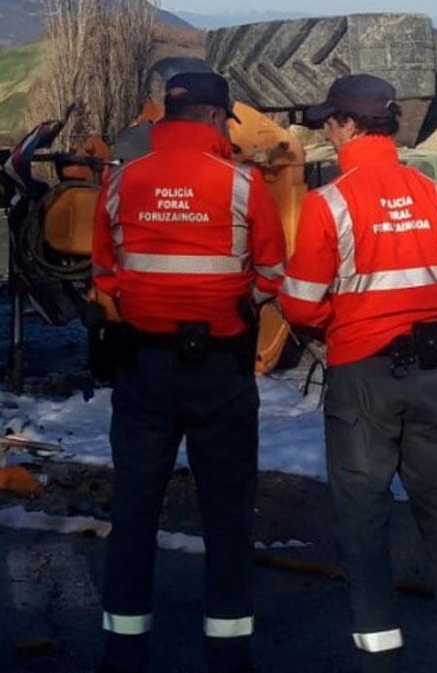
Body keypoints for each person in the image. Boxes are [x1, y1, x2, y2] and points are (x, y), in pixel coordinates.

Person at [278, 74, 437, 673]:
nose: (326, 130)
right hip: (434, 379)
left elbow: (298, 303)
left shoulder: (330, 204)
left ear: (349, 126)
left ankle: (381, 659)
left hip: (362, 380)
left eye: (330, 121)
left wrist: (339, 319)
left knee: (363, 520)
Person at [90, 71, 287, 673]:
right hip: (221, 373)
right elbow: (273, 276)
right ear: (212, 118)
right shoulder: (243, 185)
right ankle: (227, 655)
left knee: (134, 510)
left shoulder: (121, 182)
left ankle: (124, 653)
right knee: (227, 516)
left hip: (143, 368)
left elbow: (103, 275)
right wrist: (229, 307)